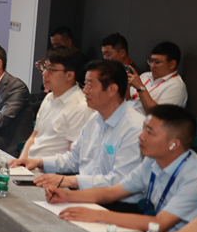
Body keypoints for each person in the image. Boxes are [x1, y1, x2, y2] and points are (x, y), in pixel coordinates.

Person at [51, 105, 197, 232]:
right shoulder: (151, 161)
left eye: (149, 132)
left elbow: (159, 223)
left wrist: (98, 215)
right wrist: (67, 195)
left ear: (174, 144)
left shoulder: (196, 177)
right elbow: (111, 192)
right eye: (143, 129)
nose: (141, 136)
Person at [15, 61, 144, 202]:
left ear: (112, 89)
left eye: (91, 85)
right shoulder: (95, 118)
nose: (85, 91)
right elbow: (74, 159)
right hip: (84, 195)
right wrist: (38, 162)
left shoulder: (135, 128)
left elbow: (120, 181)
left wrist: (69, 181)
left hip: (117, 204)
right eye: (85, 84)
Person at [15, 47, 92, 160]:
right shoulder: (49, 97)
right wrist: (21, 161)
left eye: (51, 69)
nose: (44, 73)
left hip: (48, 168)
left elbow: (72, 158)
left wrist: (37, 164)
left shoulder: (81, 107)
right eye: (45, 67)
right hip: (31, 164)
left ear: (69, 75)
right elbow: (33, 137)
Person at [127, 40, 187, 116]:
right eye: (151, 61)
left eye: (157, 62)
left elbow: (157, 115)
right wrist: (127, 87)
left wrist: (140, 87)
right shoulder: (145, 75)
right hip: (127, 115)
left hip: (143, 122)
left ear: (172, 64)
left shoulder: (177, 87)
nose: (152, 65)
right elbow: (128, 100)